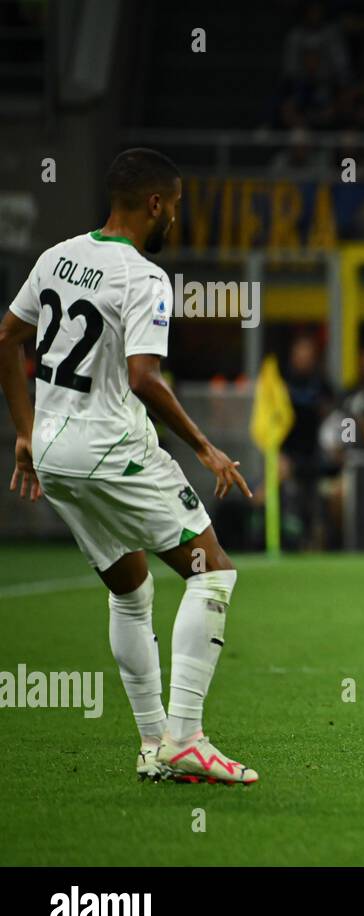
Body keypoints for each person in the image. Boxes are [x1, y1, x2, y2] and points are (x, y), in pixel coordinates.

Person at [0, 148, 258, 784]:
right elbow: (144, 378)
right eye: (174, 206)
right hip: (115, 450)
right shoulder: (143, 278)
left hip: (57, 455)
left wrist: (26, 433)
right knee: (213, 574)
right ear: (155, 204)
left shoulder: (56, 257)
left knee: (131, 589)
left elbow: (7, 336)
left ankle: (153, 746)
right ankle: (187, 738)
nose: (175, 217)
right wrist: (204, 446)